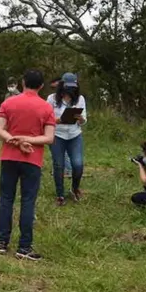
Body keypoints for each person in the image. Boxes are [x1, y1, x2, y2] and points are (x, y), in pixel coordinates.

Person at [0, 69, 55, 261]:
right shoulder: (46, 108)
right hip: (32, 159)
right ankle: (24, 247)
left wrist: (15, 139)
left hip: (9, 157)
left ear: (22, 82)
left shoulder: (8, 102)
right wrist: (28, 140)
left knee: (6, 199)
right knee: (28, 201)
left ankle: (2, 242)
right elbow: (49, 138)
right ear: (42, 86)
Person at [47, 73, 87, 206]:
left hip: (74, 135)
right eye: (68, 87)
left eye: (73, 87)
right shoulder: (51, 99)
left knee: (78, 164)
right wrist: (58, 120)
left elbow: (83, 120)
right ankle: (60, 194)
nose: (70, 90)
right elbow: (46, 119)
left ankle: (75, 188)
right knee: (59, 165)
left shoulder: (80, 99)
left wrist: (80, 119)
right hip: (57, 135)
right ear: (61, 86)